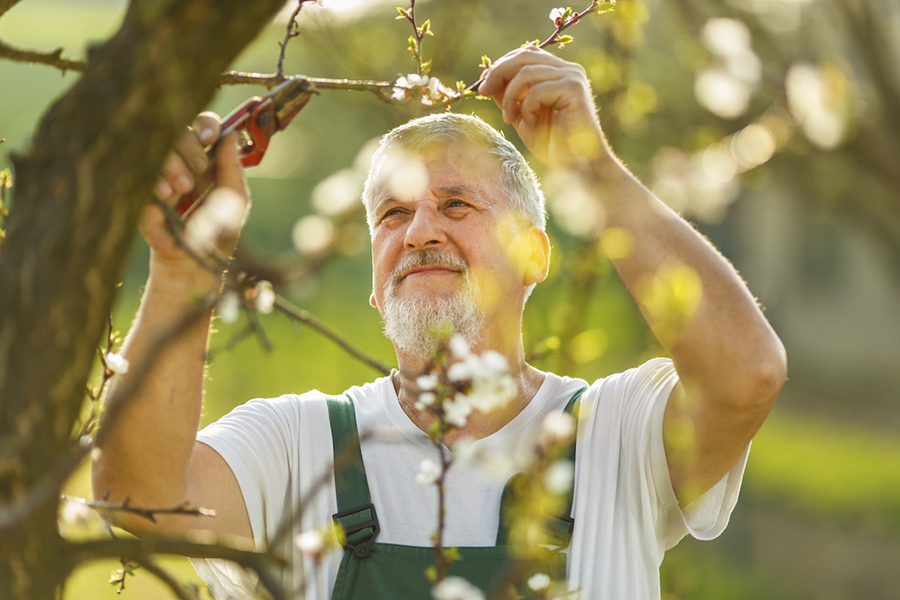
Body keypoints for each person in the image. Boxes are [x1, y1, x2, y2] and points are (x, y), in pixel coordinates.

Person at [92, 48, 786, 599]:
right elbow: (140, 502)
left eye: (456, 206)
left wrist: (592, 168)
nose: (420, 230)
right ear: (372, 277)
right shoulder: (299, 445)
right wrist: (186, 269)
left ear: (533, 256)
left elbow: (746, 376)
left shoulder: (615, 436)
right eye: (393, 215)